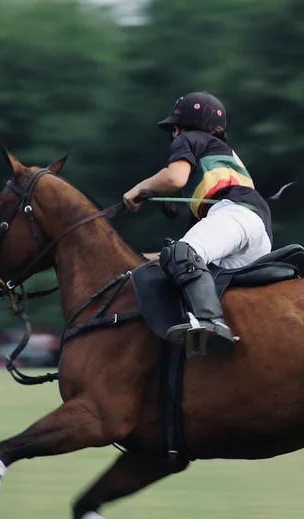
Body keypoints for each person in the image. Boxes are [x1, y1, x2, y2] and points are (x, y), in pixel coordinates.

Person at [123, 91, 273, 355]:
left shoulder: (188, 138)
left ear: (180, 128)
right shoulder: (227, 157)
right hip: (258, 233)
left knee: (184, 254)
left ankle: (210, 322)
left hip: (235, 215)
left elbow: (175, 178)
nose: (173, 135)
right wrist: (140, 260)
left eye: (174, 129)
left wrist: (139, 189)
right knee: (183, 260)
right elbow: (184, 259)